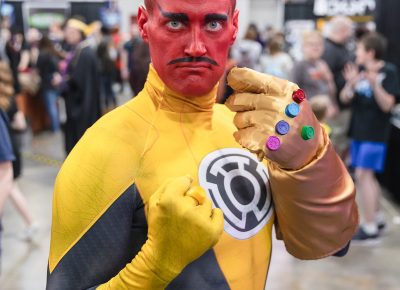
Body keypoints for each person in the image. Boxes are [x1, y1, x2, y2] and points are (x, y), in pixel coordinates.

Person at [47, 1, 358, 289]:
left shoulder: (248, 130)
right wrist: (154, 265)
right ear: (144, 24)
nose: (195, 47)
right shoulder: (105, 149)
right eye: (176, 24)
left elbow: (332, 243)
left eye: (212, 24)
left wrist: (311, 155)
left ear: (233, 27)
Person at [340, 32, 400, 243]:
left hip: (375, 134)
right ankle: (377, 218)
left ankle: (370, 226)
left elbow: (387, 105)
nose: (356, 52)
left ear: (370, 52)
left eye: (359, 49)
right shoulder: (359, 71)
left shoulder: (388, 72)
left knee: (364, 176)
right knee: (367, 177)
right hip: (358, 132)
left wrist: (375, 84)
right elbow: (344, 99)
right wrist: (350, 83)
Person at [60, 18, 102, 154]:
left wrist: (67, 81)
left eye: (72, 32)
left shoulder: (85, 54)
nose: (68, 35)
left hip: (82, 108)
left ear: (80, 34)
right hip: (82, 105)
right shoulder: (81, 51)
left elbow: (80, 82)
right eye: (67, 32)